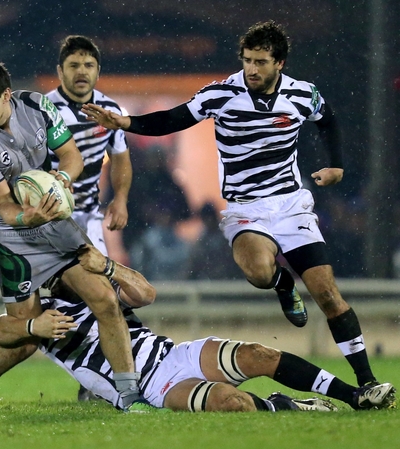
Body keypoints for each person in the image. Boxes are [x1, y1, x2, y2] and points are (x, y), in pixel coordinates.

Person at [82, 20, 383, 388]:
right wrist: (125, 121)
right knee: (258, 272)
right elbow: (172, 119)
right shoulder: (221, 94)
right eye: (247, 60)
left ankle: (367, 382)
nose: (251, 69)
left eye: (260, 62)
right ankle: (282, 283)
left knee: (328, 295)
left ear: (280, 64)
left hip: (291, 206)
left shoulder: (303, 94)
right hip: (245, 208)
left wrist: (336, 164)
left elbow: (329, 120)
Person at [0, 244, 396, 414]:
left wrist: (108, 266)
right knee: (232, 403)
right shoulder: (37, 311)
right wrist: (33, 324)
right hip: (149, 387)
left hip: (169, 352)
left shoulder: (94, 284)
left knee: (259, 354)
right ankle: (285, 406)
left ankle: (354, 396)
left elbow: (145, 294)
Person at [0, 56, 145, 411]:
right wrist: (31, 215)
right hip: (11, 236)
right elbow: (4, 207)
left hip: (54, 221)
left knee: (105, 298)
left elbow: (71, 156)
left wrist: (63, 180)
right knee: (26, 337)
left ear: (6, 95)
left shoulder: (38, 106)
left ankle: (130, 397)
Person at [45, 35, 131, 256]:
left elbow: (120, 157)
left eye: (88, 65)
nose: (82, 71)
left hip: (90, 214)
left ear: (98, 71)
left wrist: (120, 199)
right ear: (60, 71)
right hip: (49, 216)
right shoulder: (41, 110)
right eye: (73, 65)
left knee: (101, 287)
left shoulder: (110, 110)